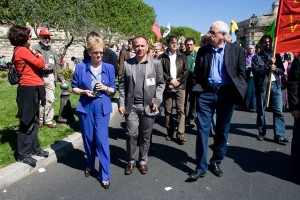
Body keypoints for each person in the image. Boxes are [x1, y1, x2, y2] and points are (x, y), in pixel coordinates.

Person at [189, 21, 247, 180]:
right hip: (206, 95)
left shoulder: (236, 50)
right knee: (202, 130)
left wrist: (237, 94)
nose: (210, 35)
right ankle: (200, 167)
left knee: (222, 130)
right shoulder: (203, 51)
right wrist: (197, 91)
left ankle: (216, 161)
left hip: (226, 95)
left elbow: (242, 74)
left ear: (223, 35)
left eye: (213, 33)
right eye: (210, 32)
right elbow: (197, 74)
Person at [71, 36, 116, 189]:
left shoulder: (109, 68)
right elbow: (74, 87)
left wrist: (105, 88)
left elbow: (113, 89)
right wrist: (83, 91)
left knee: (102, 141)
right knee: (88, 139)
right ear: (89, 52)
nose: (99, 55)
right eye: (96, 52)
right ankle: (90, 164)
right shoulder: (80, 67)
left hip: (102, 107)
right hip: (86, 107)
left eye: (101, 53)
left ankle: (105, 174)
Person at [119, 36, 165, 175]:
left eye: (142, 46)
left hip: (149, 106)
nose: (139, 48)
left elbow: (161, 84)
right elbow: (122, 86)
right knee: (131, 134)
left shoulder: (155, 63)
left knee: (145, 136)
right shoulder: (128, 64)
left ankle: (143, 161)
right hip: (131, 106)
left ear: (147, 47)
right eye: (136, 46)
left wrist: (157, 101)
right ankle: (131, 161)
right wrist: (121, 103)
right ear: (133, 47)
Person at [8, 25, 49, 167]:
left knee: (34, 120)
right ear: (23, 38)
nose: (31, 38)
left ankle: (34, 148)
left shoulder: (24, 50)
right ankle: (23, 154)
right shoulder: (21, 51)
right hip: (28, 89)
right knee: (27, 122)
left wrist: (33, 52)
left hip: (34, 87)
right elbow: (41, 63)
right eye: (29, 35)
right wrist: (36, 53)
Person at [251, 35, 290, 145]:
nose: (267, 43)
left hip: (275, 85)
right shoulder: (256, 57)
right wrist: (268, 65)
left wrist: (275, 69)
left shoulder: (276, 55)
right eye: (265, 42)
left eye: (269, 42)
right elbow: (256, 71)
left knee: (278, 110)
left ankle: (279, 135)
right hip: (263, 86)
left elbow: (282, 70)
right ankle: (262, 132)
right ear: (262, 43)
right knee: (261, 111)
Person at [32, 28, 66, 128]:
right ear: (40, 37)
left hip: (50, 76)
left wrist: (61, 77)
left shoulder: (52, 50)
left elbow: (57, 65)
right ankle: (40, 119)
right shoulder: (34, 48)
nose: (47, 39)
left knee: (50, 98)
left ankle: (48, 120)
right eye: (45, 37)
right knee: (39, 99)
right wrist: (41, 66)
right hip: (38, 76)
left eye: (48, 38)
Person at [161, 35, 188, 143]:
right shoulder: (162, 57)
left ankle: (180, 133)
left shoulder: (182, 56)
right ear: (167, 43)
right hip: (168, 87)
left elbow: (186, 71)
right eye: (172, 42)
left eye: (176, 42)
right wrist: (170, 80)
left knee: (181, 110)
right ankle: (170, 132)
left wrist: (178, 82)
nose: (174, 44)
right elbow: (160, 72)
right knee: (168, 111)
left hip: (180, 87)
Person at [287, 53, 300, 179]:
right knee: (298, 140)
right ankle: (297, 168)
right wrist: (295, 107)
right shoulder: (298, 60)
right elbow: (293, 83)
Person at [184, 37, 197, 127]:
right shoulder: (181, 55)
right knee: (183, 102)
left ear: (194, 45)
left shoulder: (198, 55)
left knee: (193, 102)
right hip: (184, 82)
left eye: (191, 45)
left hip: (195, 82)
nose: (189, 46)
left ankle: (191, 118)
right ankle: (182, 119)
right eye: (187, 45)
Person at [244, 45, 257, 112]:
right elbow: (242, 67)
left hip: (255, 76)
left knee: (254, 92)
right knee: (248, 91)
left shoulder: (257, 57)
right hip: (248, 76)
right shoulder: (245, 58)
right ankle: (247, 106)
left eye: (252, 48)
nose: (250, 50)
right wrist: (247, 67)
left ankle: (254, 106)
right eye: (249, 48)